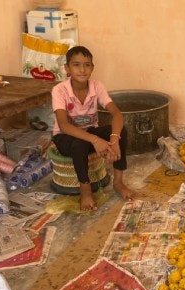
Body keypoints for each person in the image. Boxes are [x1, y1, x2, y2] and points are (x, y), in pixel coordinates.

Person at [51, 46, 135, 211]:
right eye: (76, 65)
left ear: (92, 68)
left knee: (120, 130)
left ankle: (118, 182)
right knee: (80, 143)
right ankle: (86, 191)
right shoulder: (59, 90)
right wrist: (96, 140)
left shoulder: (97, 86)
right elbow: (64, 125)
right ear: (67, 68)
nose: (82, 70)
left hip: (89, 133)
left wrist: (114, 139)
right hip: (65, 138)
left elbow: (117, 114)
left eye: (87, 65)